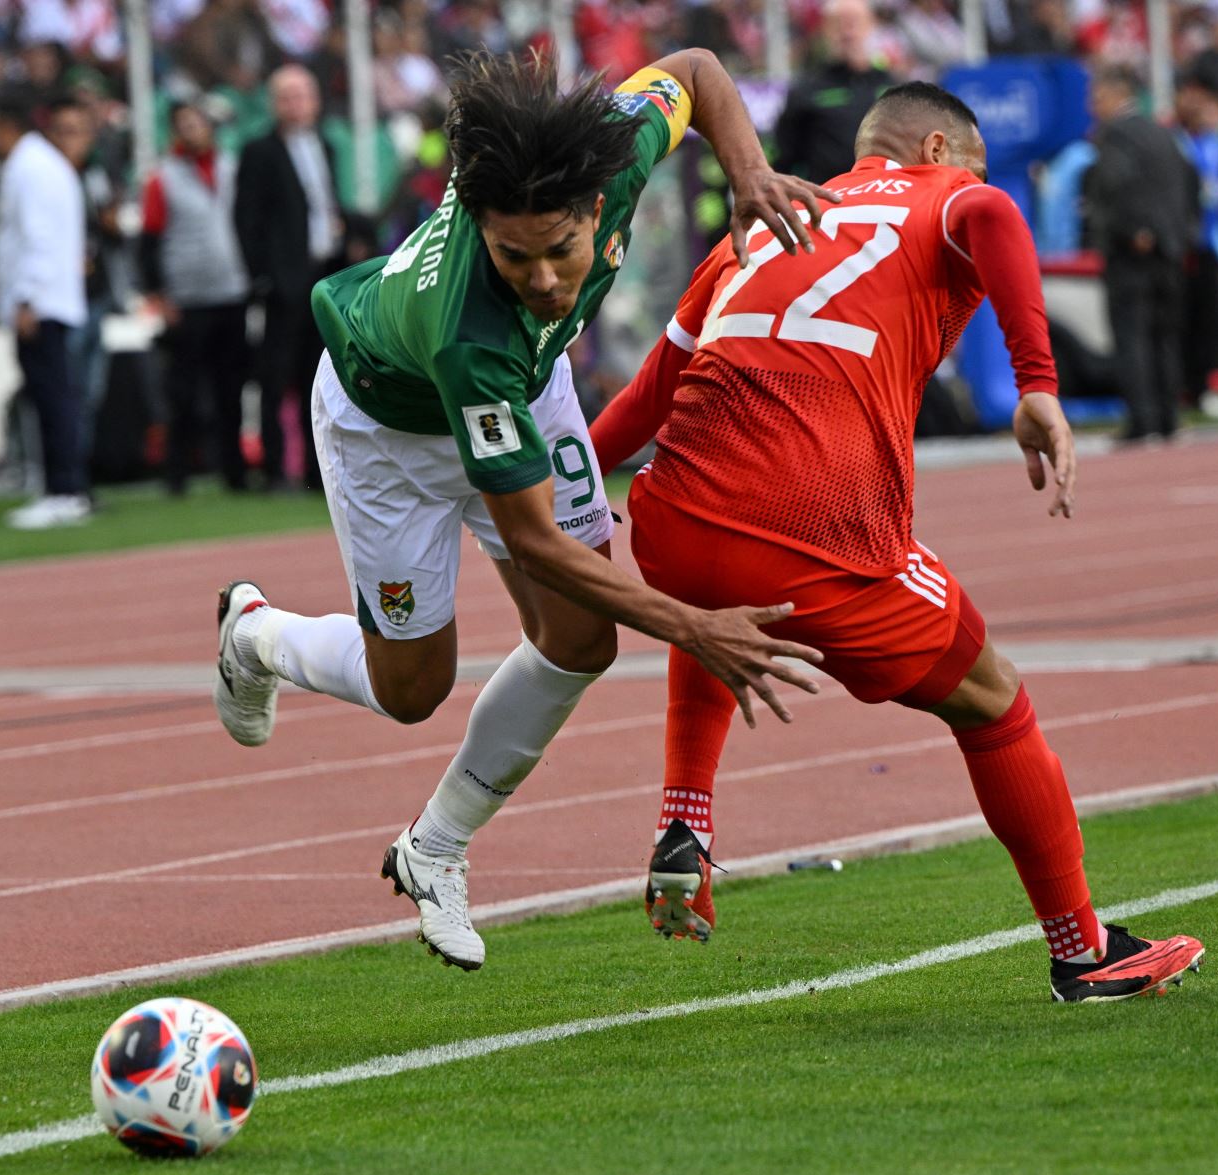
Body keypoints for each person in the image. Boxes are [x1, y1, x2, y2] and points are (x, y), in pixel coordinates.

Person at [211, 50, 835, 972]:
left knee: (583, 639)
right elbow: (540, 545)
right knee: (412, 691)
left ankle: (435, 849)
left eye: (560, 252)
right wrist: (695, 629)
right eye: (514, 256)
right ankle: (256, 635)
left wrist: (747, 171)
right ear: (479, 224)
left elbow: (698, 71)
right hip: (389, 434)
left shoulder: (609, 157)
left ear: (598, 206)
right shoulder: (474, 333)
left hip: (528, 392)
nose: (544, 280)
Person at [589, 81, 1205, 1003]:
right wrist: (1039, 381)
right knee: (996, 701)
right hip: (814, 522)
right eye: (973, 160)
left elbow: (645, 395)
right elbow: (990, 211)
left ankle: (688, 818)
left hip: (671, 515)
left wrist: (542, 490)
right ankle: (1084, 950)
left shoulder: (757, 222)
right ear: (935, 150)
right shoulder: (944, 193)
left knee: (726, 607)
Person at [236, 64, 342, 492]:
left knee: (320, 375)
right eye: (288, 96)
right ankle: (276, 469)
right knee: (276, 376)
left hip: (323, 277)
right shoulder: (259, 151)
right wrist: (263, 275)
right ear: (274, 103)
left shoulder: (326, 144)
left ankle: (319, 471)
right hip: (284, 282)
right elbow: (247, 219)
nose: (296, 104)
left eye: (303, 95)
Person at [0, 96, 92, 530]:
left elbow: (36, 236)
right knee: (56, 397)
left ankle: (62, 490)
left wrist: (26, 298)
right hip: (54, 297)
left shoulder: (29, 166)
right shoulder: (49, 165)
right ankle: (63, 487)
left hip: (40, 301)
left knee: (52, 399)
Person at [140, 99, 251, 495]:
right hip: (186, 298)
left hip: (231, 291)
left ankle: (234, 473)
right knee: (182, 392)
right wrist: (160, 295)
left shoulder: (231, 168)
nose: (192, 130)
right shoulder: (162, 177)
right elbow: (149, 240)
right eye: (183, 124)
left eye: (197, 122)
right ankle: (177, 475)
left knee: (230, 390)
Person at [1083, 68, 1196, 442]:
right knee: (1165, 336)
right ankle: (1168, 417)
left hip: (1132, 252)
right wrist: (1179, 233)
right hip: (1170, 249)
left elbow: (1115, 184)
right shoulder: (1163, 133)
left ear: (1117, 95)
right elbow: (1191, 181)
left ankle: (1142, 420)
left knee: (1132, 335)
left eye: (1097, 97)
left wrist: (1135, 231)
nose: (1092, 106)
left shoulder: (1115, 135)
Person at [773, 0, 894, 187]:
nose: (847, 32)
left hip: (889, 199)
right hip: (830, 203)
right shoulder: (807, 90)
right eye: (839, 23)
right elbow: (783, 161)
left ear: (872, 25)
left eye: (854, 22)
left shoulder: (895, 86)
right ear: (825, 29)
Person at [1175, 75, 1218, 417]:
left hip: (1213, 243)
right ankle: (1186, 386)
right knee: (1185, 319)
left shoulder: (1216, 145)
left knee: (1211, 318)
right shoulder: (1177, 143)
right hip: (1186, 245)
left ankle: (1203, 386)